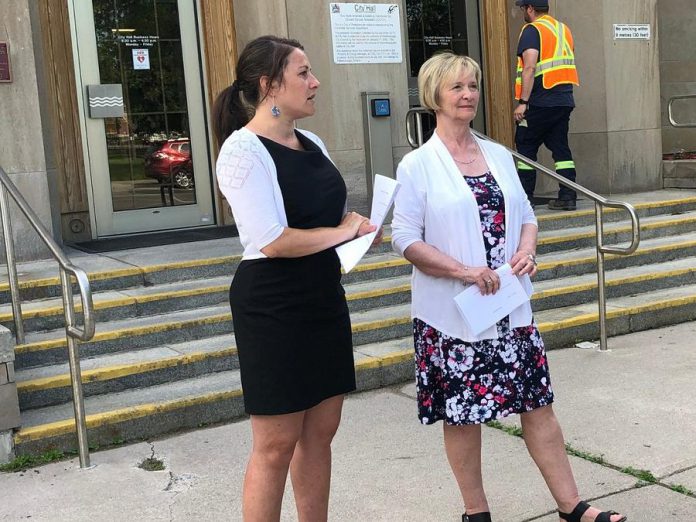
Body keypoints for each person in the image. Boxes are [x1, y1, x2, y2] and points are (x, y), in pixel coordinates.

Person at [391, 52, 626, 522]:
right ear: (434, 94)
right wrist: (463, 270)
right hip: (453, 316)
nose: (467, 95)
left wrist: (527, 251)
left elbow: (528, 218)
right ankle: (476, 512)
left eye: (473, 86)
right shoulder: (418, 165)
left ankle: (571, 505)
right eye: (457, 87)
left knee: (538, 405)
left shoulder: (499, 154)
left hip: (509, 307)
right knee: (463, 417)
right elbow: (405, 240)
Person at [213, 35, 378, 521]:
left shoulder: (313, 142)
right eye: (303, 73)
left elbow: (323, 217)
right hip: (273, 305)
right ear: (269, 85)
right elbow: (273, 240)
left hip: (322, 296)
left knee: (320, 434)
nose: (315, 82)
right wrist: (340, 230)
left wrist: (357, 226)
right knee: (275, 445)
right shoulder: (242, 151)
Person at [514, 0, 580, 211]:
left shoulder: (532, 30)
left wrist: (523, 103)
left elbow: (530, 67)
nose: (523, 12)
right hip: (563, 100)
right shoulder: (563, 29)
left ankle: (526, 199)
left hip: (540, 101)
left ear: (530, 9)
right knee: (561, 149)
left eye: (523, 8)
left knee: (525, 147)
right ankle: (568, 196)